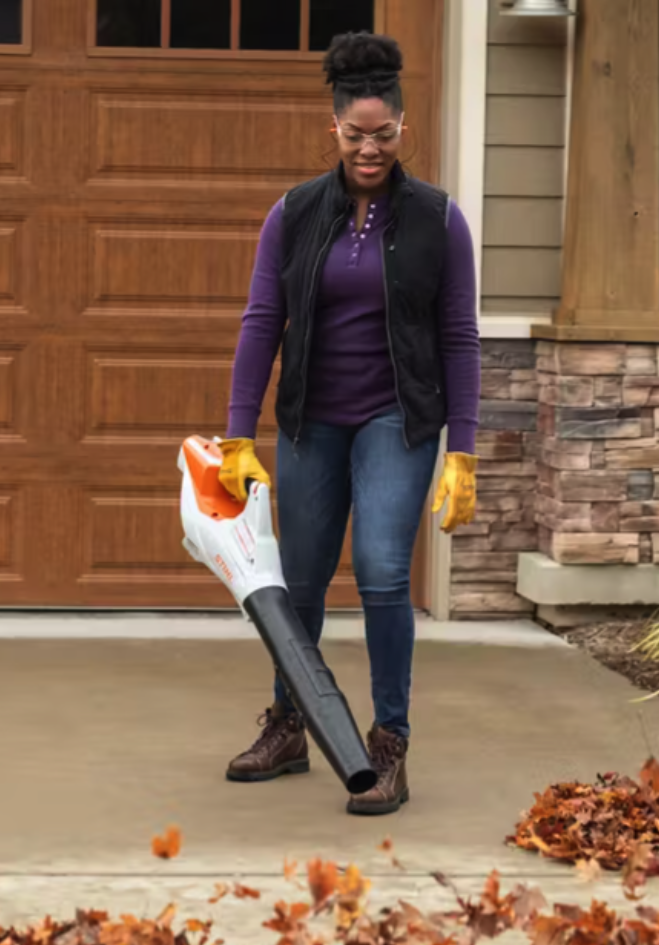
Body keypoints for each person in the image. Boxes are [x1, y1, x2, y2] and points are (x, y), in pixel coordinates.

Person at [217, 30, 482, 816]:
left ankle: (389, 740)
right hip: (310, 421)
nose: (371, 148)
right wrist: (239, 432)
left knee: (380, 571)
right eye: (356, 135)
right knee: (295, 582)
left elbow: (459, 337)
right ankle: (291, 724)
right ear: (333, 129)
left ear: (405, 130)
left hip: (396, 420)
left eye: (385, 134)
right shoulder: (296, 212)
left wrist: (461, 449)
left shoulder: (438, 218)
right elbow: (263, 319)